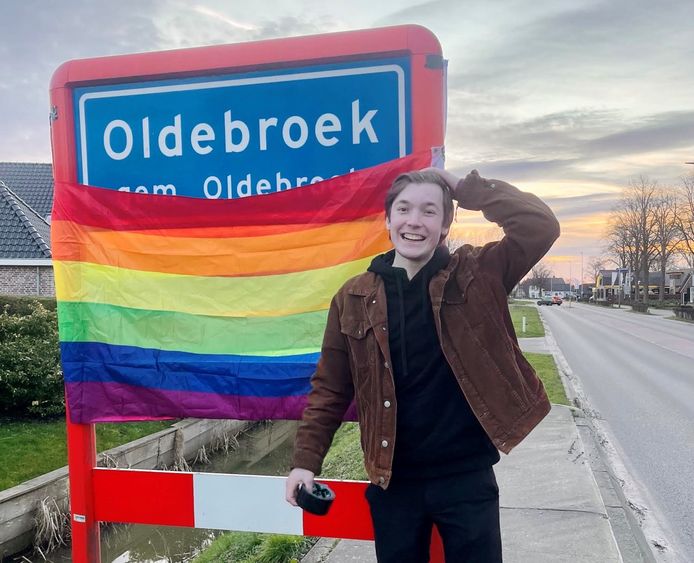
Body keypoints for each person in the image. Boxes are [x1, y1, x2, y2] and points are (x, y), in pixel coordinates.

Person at [285, 167, 560, 562]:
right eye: (404, 209)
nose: (415, 221)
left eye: (430, 211)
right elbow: (329, 389)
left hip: (467, 479)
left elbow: (540, 226)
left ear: (446, 225)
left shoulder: (479, 275)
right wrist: (304, 464)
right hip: (393, 483)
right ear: (388, 220)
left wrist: (469, 190)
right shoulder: (353, 297)